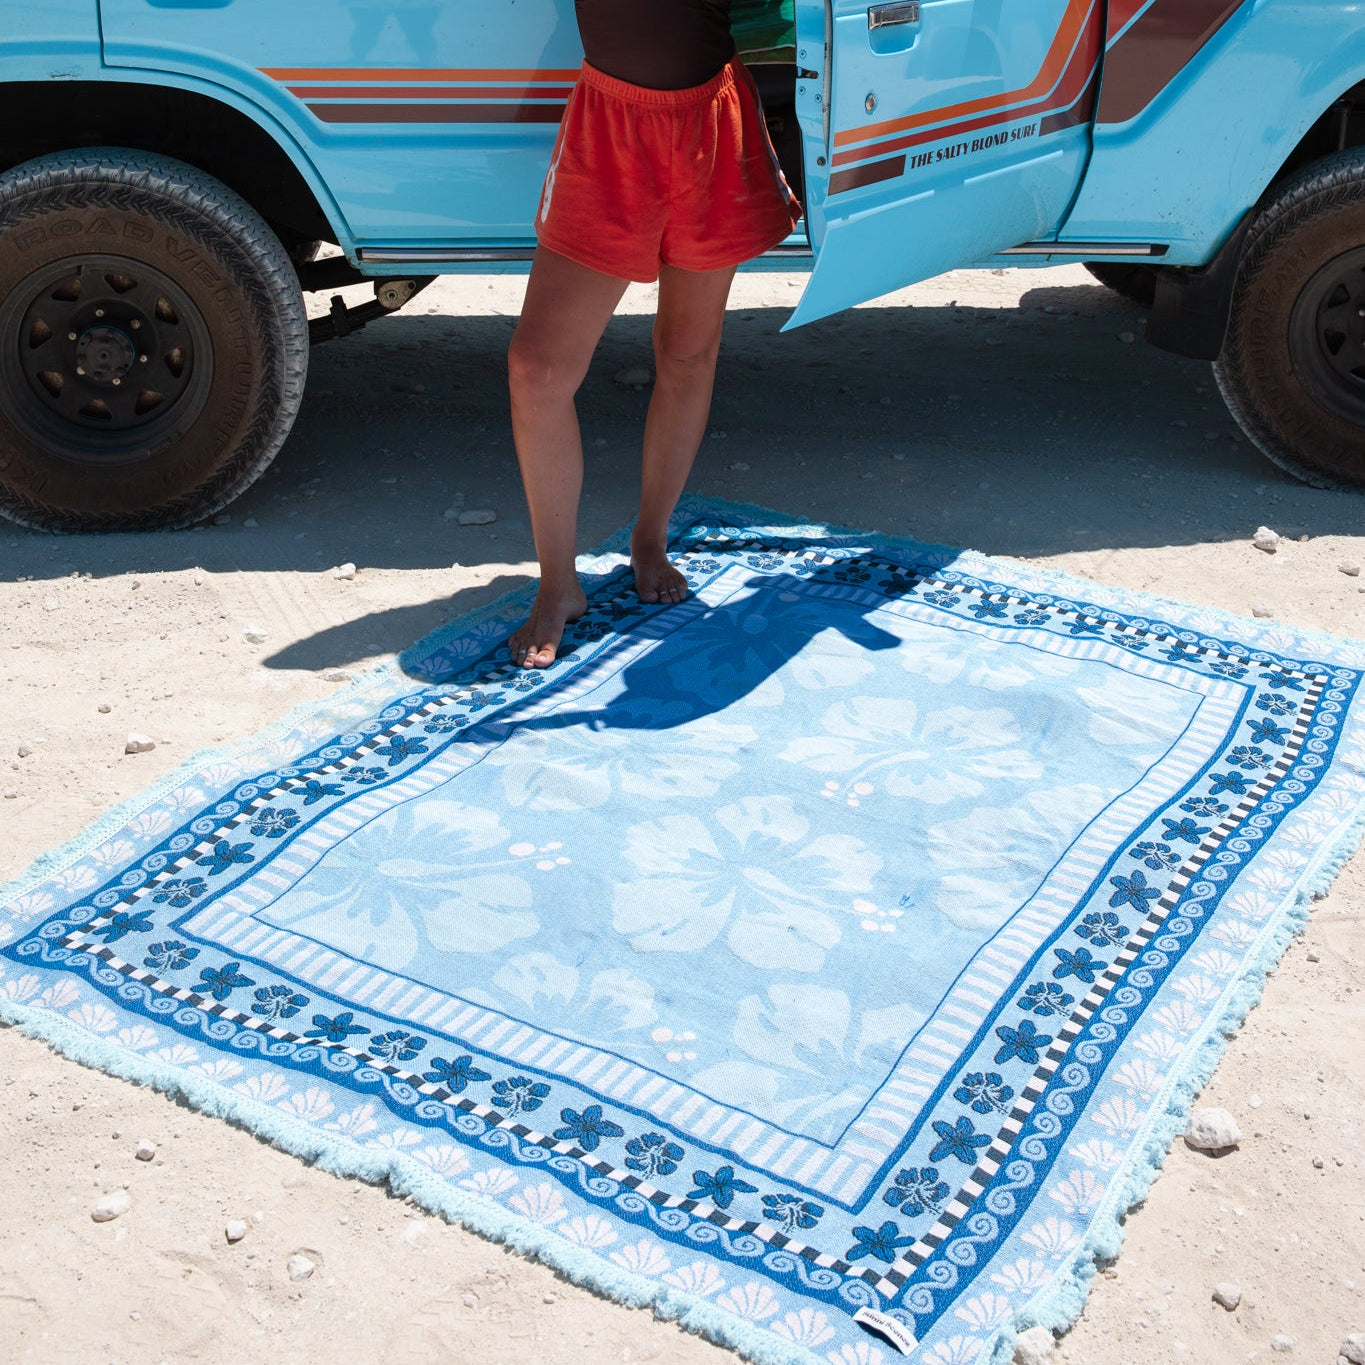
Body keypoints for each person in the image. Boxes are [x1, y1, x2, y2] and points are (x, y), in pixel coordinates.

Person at [505, 0, 801, 669]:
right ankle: (558, 585)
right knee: (536, 369)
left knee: (687, 353)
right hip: (610, 124)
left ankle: (650, 539)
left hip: (710, 119)